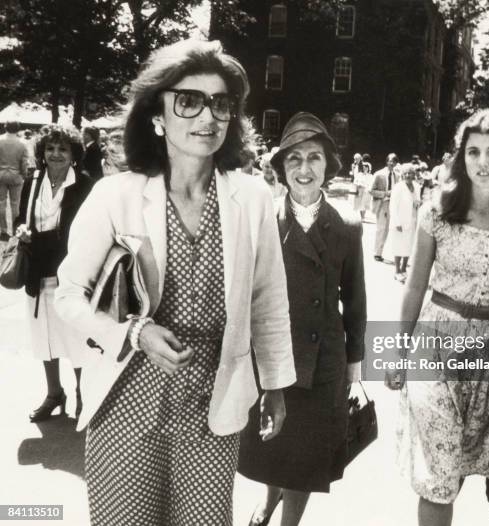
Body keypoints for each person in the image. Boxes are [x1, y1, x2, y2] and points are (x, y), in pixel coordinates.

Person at [54, 39, 296, 526]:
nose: (207, 116)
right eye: (189, 100)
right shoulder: (115, 196)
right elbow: (69, 296)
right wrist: (134, 332)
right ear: (158, 115)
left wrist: (275, 385)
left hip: (213, 402)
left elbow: (267, 299)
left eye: (220, 103)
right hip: (126, 400)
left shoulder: (250, 198)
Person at [387, 108, 489, 526]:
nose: (482, 162)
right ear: (461, 158)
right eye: (473, 151)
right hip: (434, 345)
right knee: (439, 477)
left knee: (458, 467)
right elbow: (414, 287)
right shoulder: (437, 211)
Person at [238, 112, 367, 526]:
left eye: (314, 158)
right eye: (294, 159)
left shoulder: (346, 225)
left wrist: (354, 364)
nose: (304, 169)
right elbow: (248, 294)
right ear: (280, 170)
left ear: (329, 166)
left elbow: (357, 299)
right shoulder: (266, 221)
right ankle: (269, 497)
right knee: (275, 441)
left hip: (323, 359)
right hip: (275, 354)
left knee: (307, 453)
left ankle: (288, 521)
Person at [14, 124, 94, 422]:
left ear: (74, 154)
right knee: (44, 335)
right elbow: (23, 219)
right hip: (38, 269)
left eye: (63, 148)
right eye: (50, 148)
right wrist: (22, 230)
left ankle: (83, 394)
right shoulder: (32, 181)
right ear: (42, 153)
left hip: (70, 272)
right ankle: (53, 393)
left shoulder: (85, 185)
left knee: (75, 335)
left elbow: (90, 231)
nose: (56, 154)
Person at [389, 164, 419, 282]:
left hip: (412, 221)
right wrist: (397, 222)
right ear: (402, 175)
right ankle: (397, 270)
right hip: (400, 221)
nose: (408, 175)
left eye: (410, 173)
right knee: (398, 245)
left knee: (409, 245)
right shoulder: (398, 187)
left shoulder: (416, 186)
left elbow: (417, 202)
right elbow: (393, 206)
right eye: (405, 173)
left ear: (414, 175)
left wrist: (417, 203)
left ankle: (404, 268)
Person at [0, 121, 28, 241]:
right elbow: (24, 162)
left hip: (0, 174)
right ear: (17, 129)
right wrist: (24, 174)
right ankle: (16, 229)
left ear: (5, 127)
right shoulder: (22, 143)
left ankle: (3, 230)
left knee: (1, 203)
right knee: (15, 204)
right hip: (16, 175)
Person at [370, 153, 399, 261]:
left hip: (392, 205)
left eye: (394, 161)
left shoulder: (397, 175)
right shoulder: (379, 174)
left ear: (396, 163)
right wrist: (385, 193)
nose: (392, 163)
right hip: (382, 203)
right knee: (381, 228)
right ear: (387, 161)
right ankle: (377, 253)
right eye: (390, 161)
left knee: (387, 229)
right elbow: (371, 190)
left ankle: (380, 252)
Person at [351, 152, 369, 220]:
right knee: (356, 200)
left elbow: (366, 175)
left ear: (360, 159)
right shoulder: (354, 166)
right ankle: (356, 216)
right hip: (356, 184)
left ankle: (362, 216)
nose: (355, 161)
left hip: (363, 184)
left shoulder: (364, 165)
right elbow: (353, 175)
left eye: (357, 159)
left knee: (363, 201)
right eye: (354, 159)